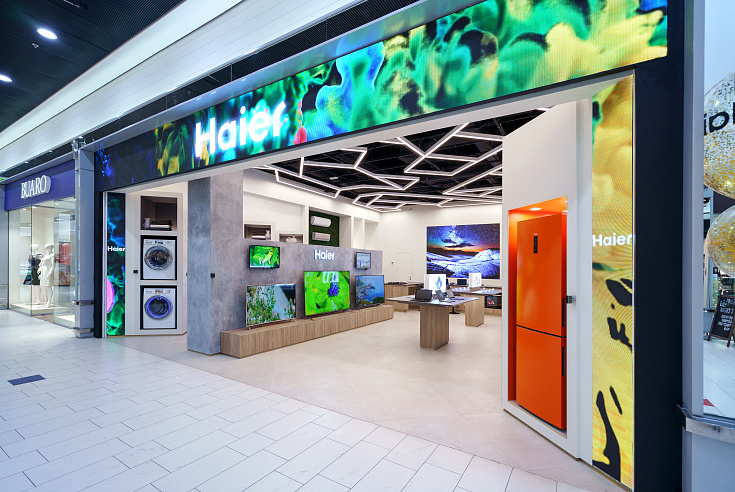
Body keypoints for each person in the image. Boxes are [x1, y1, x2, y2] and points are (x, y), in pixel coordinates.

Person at [40, 243, 55, 308]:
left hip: (48, 271)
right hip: (44, 271)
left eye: (48, 248)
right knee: (45, 287)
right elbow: (43, 264)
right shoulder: (46, 255)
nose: (47, 249)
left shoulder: (52, 255)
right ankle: (46, 301)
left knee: (49, 286)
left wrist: (50, 273)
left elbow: (53, 265)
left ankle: (49, 301)